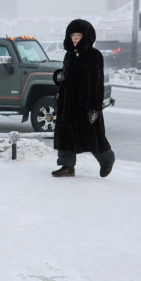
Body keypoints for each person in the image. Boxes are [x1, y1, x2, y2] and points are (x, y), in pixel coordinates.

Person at [52, 18, 115, 178]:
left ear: (86, 36)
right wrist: (59, 76)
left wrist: (94, 106)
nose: (74, 38)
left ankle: (107, 158)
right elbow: (66, 75)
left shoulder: (93, 55)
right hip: (68, 103)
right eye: (72, 35)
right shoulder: (70, 55)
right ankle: (67, 166)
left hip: (85, 104)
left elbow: (97, 82)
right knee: (66, 134)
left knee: (92, 135)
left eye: (78, 35)